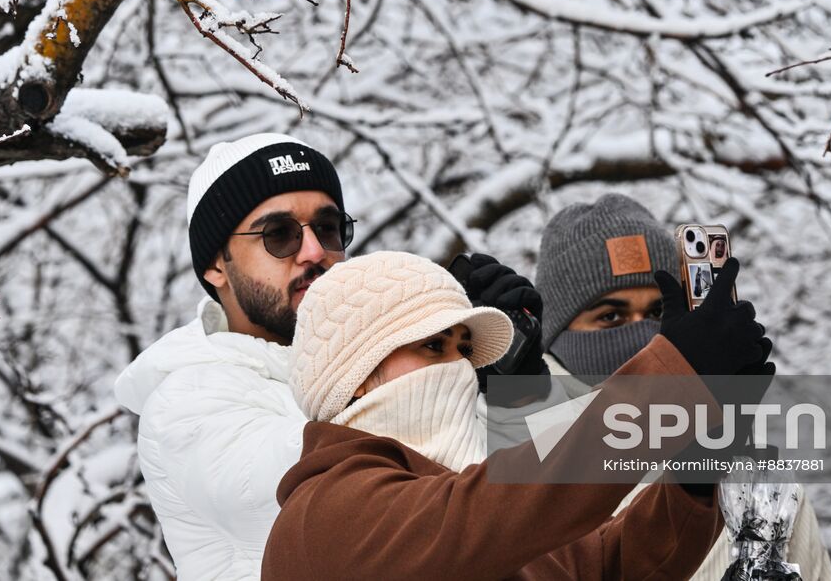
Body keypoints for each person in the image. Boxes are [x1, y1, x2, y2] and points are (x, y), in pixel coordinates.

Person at [113, 133, 542, 580]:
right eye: (278, 235)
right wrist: (424, 354)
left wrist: (519, 385)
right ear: (215, 265)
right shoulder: (187, 399)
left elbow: (572, 494)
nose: (315, 252)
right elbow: (339, 490)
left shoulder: (390, 366)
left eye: (328, 228)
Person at [261, 249, 774, 581]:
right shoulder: (325, 514)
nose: (461, 370)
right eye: (434, 346)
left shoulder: (462, 515)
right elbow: (509, 501)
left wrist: (700, 453)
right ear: (355, 374)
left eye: (465, 349)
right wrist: (673, 377)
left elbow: (610, 566)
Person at [535, 193, 831, 581]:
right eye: (612, 316)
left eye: (660, 312)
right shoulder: (520, 453)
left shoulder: (754, 473)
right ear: (557, 334)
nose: (643, 334)